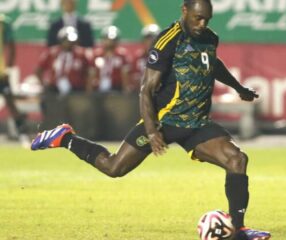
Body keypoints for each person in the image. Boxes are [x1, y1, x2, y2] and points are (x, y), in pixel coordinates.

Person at [31, 1, 271, 239]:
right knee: (113, 168)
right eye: (198, 17)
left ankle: (239, 230)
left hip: (197, 123)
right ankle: (65, 138)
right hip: (163, 122)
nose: (202, 23)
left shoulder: (209, 38)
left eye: (206, 19)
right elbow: (146, 89)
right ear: (184, 11)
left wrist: (238, 87)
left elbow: (212, 64)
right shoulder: (167, 41)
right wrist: (152, 131)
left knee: (237, 160)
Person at [36, 26, 89, 95]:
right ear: (61, 40)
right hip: (54, 88)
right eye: (67, 40)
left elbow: (88, 71)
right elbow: (39, 69)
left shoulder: (81, 54)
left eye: (73, 41)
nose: (70, 43)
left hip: (76, 89)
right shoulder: (52, 53)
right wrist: (43, 83)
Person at [0, 14, 27, 141]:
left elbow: (11, 45)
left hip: (0, 72)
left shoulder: (3, 22)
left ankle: (22, 128)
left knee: (9, 100)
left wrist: (8, 68)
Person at [87, 26, 132, 93]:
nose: (110, 42)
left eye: (113, 40)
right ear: (103, 39)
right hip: (98, 90)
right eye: (107, 39)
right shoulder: (96, 55)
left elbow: (125, 76)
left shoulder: (122, 56)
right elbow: (91, 75)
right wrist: (89, 92)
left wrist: (125, 91)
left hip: (116, 90)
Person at [131, 24, 161, 91]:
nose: (151, 41)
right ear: (143, 41)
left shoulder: (165, 57)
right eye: (148, 38)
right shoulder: (137, 58)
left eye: (154, 38)